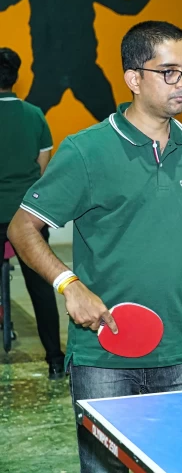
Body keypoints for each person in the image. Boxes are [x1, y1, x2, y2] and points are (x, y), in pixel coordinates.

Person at [8, 21, 182, 472]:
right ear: (133, 78)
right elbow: (23, 227)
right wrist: (69, 284)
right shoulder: (86, 151)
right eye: (169, 72)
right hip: (104, 356)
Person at [0, 0, 179, 121]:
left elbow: (130, 7)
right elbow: (131, 6)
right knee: (115, 127)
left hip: (77, 71)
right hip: (57, 72)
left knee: (115, 126)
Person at [0, 47, 65, 379]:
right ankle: (55, 359)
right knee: (41, 287)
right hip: (25, 218)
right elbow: (43, 169)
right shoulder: (35, 115)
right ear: (15, 78)